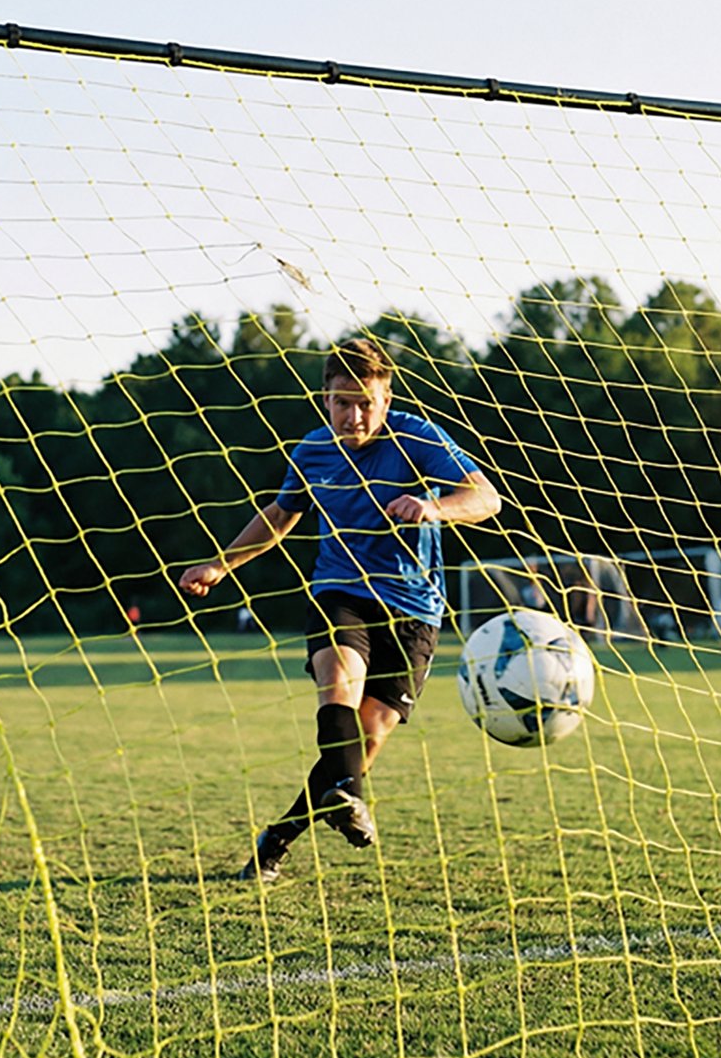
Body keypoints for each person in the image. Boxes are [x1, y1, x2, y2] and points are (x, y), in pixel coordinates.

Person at [178, 338, 501, 882]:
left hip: (413, 608)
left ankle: (278, 837)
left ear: (386, 397)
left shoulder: (417, 438)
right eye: (342, 402)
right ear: (324, 400)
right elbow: (282, 514)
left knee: (366, 739)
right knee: (339, 681)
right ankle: (349, 796)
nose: (354, 415)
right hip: (340, 590)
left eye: (366, 403)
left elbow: (486, 498)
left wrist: (432, 506)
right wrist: (221, 565)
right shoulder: (312, 451)